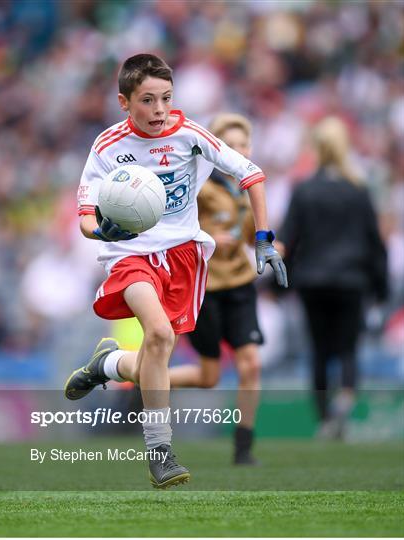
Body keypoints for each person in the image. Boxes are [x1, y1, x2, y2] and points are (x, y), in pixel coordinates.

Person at [64, 53, 288, 489]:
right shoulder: (107, 146)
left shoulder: (189, 135)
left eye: (166, 98)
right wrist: (100, 231)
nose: (160, 110)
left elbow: (252, 174)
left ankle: (108, 364)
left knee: (155, 357)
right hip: (130, 255)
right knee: (161, 336)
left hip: (183, 257)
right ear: (124, 102)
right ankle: (160, 452)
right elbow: (86, 215)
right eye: (148, 100)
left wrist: (263, 237)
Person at [277, 116, 388, 439]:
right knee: (349, 348)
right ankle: (346, 397)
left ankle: (325, 417)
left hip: (313, 281)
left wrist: (277, 285)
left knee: (320, 351)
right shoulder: (359, 190)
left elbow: (289, 238)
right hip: (352, 281)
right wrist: (380, 288)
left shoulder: (305, 189)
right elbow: (374, 242)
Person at [169, 113, 263, 465]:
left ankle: (244, 446)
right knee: (209, 376)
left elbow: (254, 229)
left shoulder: (246, 186)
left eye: (244, 145)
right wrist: (210, 238)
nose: (239, 152)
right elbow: (177, 227)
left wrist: (272, 244)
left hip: (240, 283)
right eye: (232, 146)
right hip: (204, 287)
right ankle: (148, 381)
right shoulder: (197, 184)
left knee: (250, 364)